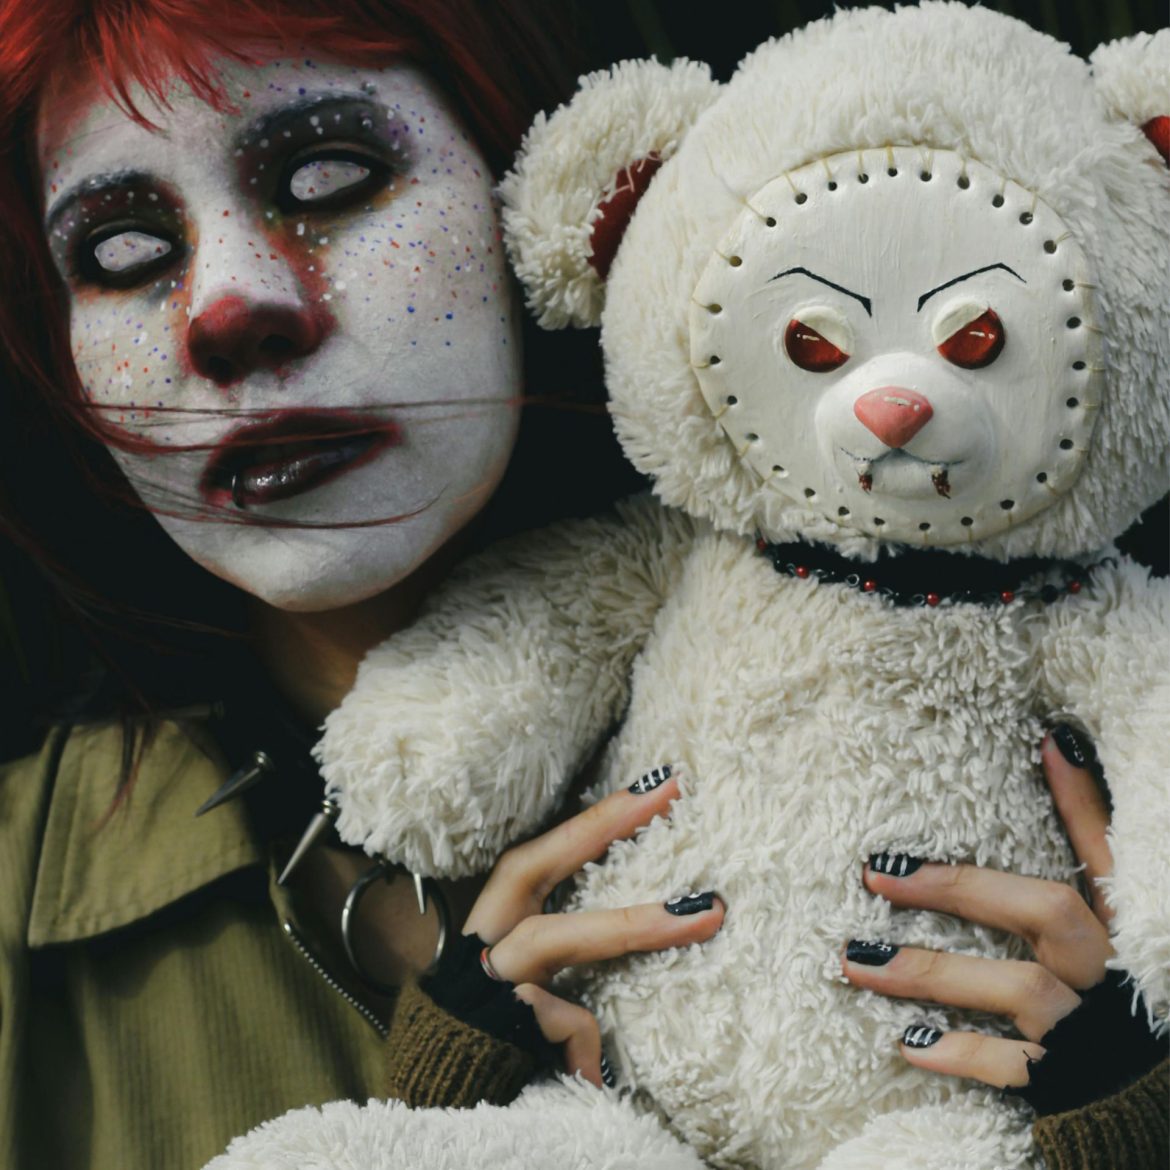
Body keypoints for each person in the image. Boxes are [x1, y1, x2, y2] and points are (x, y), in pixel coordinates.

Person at [0, 2, 1162, 1168]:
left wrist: (1132, 1115)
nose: (232, 311)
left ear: (539, 196)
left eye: (329, 177)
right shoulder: (22, 911)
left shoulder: (1092, 738)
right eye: (122, 254)